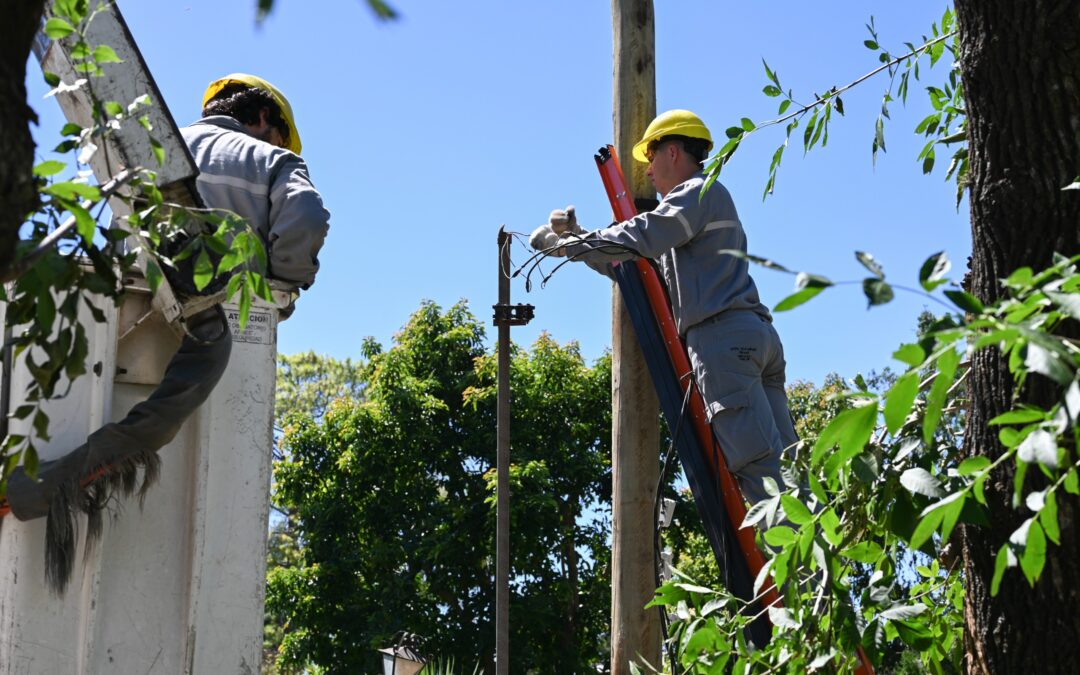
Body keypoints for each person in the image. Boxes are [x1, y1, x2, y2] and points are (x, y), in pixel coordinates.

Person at [531, 109, 797, 505]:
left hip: (722, 342)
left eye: (651, 158)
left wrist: (571, 244)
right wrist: (572, 241)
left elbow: (643, 235)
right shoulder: (692, 214)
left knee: (761, 474)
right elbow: (639, 268)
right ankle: (812, 559)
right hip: (752, 336)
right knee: (790, 469)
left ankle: (795, 567)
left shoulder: (694, 194)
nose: (649, 172)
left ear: (673, 152)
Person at [181, 73, 330, 297]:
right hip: (234, 317)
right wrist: (282, 284)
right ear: (263, 116)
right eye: (279, 141)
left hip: (135, 312)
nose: (278, 147)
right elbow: (307, 214)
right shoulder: (276, 160)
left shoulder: (153, 146)